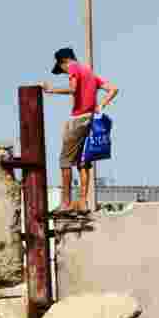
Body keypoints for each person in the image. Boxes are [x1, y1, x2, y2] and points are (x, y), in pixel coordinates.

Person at [42, 47, 119, 213]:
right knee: (83, 161)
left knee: (65, 161)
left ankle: (66, 203)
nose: (64, 72)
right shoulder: (89, 72)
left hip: (78, 119)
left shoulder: (73, 68)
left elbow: (73, 89)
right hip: (90, 119)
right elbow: (113, 88)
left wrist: (50, 90)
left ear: (63, 62)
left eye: (62, 69)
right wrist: (101, 105)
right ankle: (83, 203)